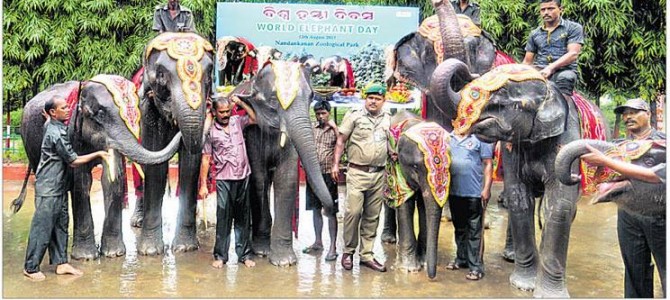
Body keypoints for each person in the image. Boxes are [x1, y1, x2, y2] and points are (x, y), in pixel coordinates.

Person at [583, 98, 665, 298]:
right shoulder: (618, 146)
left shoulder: (662, 144)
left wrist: (605, 160)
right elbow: (604, 173)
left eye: (634, 112)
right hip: (628, 213)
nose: (628, 117)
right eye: (625, 113)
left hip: (660, 214)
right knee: (634, 270)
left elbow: (656, 176)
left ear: (649, 114)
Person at [23, 97, 110, 281]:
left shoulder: (52, 125)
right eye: (63, 107)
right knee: (43, 227)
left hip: (59, 186)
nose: (68, 109)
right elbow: (73, 161)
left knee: (61, 224)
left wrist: (48, 118)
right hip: (49, 188)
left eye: (67, 106)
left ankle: (61, 263)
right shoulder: (56, 133)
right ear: (54, 113)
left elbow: (48, 124)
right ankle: (30, 267)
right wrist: (99, 153)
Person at [332, 83, 391, 272]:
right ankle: (348, 252)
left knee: (372, 216)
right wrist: (335, 164)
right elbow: (341, 140)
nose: (373, 102)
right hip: (357, 172)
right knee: (353, 213)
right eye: (370, 98)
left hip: (379, 173)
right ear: (365, 99)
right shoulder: (355, 116)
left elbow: (390, 143)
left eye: (377, 99)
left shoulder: (387, 119)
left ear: (383, 101)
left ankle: (366, 254)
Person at [198, 94, 257, 269]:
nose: (225, 115)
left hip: (243, 176)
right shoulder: (211, 132)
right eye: (222, 112)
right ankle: (221, 256)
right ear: (215, 112)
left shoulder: (237, 121)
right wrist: (203, 185)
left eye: (228, 111)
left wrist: (240, 103)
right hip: (224, 179)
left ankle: (244, 255)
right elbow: (206, 159)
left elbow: (254, 118)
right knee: (223, 219)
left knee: (243, 219)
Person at [444, 131, 493, 281]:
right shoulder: (447, 138)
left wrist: (486, 188)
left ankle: (476, 267)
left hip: (474, 193)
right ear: (453, 122)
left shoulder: (480, 138)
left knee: (474, 230)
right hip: (454, 192)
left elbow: (488, 163)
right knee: (459, 228)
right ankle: (462, 259)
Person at [302, 100, 340, 262]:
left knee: (331, 210)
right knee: (315, 209)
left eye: (323, 113)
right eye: (318, 113)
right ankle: (318, 242)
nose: (320, 116)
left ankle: (333, 246)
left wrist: (335, 128)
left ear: (329, 113)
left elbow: (342, 143)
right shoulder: (312, 128)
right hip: (313, 174)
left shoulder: (335, 130)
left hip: (328, 175)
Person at [522, 0, 583, 98]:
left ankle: (564, 111)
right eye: (543, 9)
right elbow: (527, 62)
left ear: (561, 9)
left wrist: (550, 68)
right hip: (540, 72)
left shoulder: (573, 28)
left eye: (550, 8)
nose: (546, 12)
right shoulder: (534, 33)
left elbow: (573, 54)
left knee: (566, 78)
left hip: (564, 71)